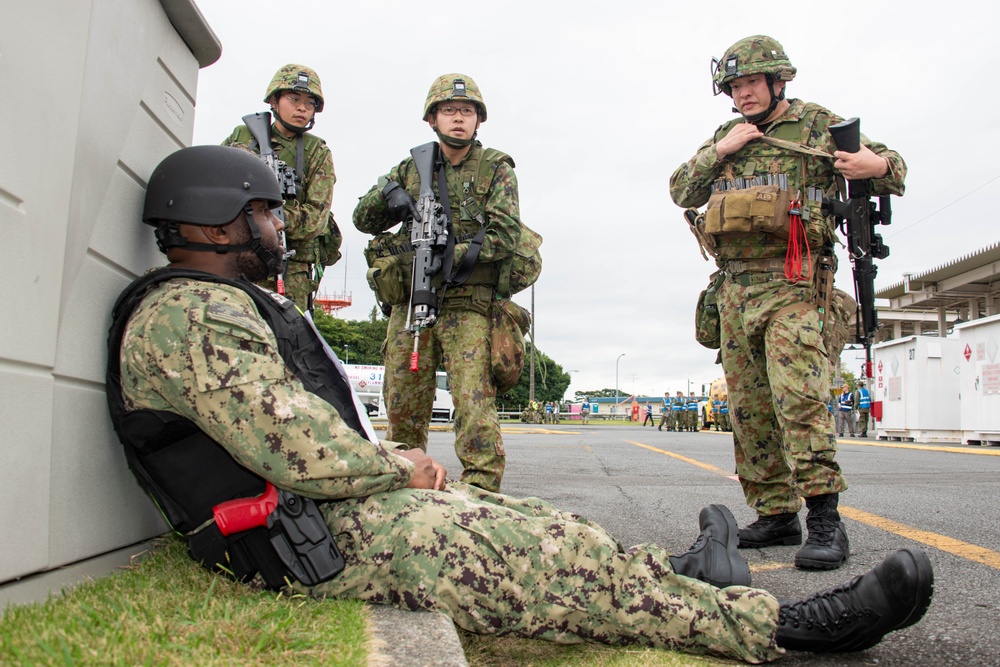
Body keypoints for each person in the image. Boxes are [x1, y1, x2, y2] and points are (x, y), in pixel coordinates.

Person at [109, 144, 933, 663]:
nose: (276, 227)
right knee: (542, 566)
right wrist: (398, 462)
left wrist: (395, 473)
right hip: (305, 541)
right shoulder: (186, 314)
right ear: (210, 221)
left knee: (545, 526)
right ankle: (787, 627)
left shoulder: (232, 303)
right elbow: (292, 447)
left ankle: (683, 575)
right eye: (260, 211)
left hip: (328, 515)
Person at [670, 35, 906, 570]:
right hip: (733, 291)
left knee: (799, 400)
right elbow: (681, 190)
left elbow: (894, 166)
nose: (744, 93)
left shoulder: (818, 125)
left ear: (779, 81)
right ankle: (776, 513)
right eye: (735, 86)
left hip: (794, 284)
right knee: (749, 410)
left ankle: (825, 519)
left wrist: (873, 166)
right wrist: (721, 150)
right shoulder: (727, 135)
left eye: (753, 82)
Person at [353, 73, 521, 493]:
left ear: (478, 120)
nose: (458, 119)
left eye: (467, 111)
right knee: (403, 405)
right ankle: (405, 488)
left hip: (468, 303)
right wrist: (390, 196)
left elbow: (505, 236)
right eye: (449, 111)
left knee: (473, 406)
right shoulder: (412, 167)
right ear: (432, 119)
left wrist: (450, 251)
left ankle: (482, 496)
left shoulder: (496, 167)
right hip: (412, 302)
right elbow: (362, 219)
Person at [222, 64, 341, 312]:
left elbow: (316, 219)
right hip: (238, 254)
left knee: (289, 338)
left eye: (310, 103)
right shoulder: (242, 137)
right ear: (274, 101)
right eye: (294, 99)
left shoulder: (317, 151)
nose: (302, 108)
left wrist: (265, 215)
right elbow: (215, 183)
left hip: (290, 264)